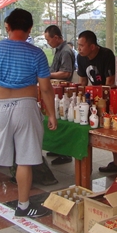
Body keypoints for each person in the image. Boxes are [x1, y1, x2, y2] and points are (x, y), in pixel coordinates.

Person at [0, 8, 57, 218]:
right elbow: (45, 88)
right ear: (30, 28)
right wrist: (51, 114)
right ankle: (23, 206)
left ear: (7, 26)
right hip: (27, 107)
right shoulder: (36, 53)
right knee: (25, 159)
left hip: (1, 106)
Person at [76, 30, 117, 172]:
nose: (79, 49)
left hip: (110, 95)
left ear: (92, 47)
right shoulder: (80, 58)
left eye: (82, 46)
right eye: (78, 45)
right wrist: (81, 99)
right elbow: (82, 81)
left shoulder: (106, 55)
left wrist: (102, 98)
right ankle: (116, 163)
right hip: (94, 95)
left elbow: (110, 82)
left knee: (114, 128)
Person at [44, 25, 75, 165]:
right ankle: (58, 149)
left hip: (63, 91)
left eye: (48, 40)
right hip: (56, 89)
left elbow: (66, 73)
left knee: (62, 120)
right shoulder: (59, 50)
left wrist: (47, 74)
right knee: (57, 117)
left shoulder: (66, 51)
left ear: (56, 37)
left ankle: (66, 153)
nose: (48, 43)